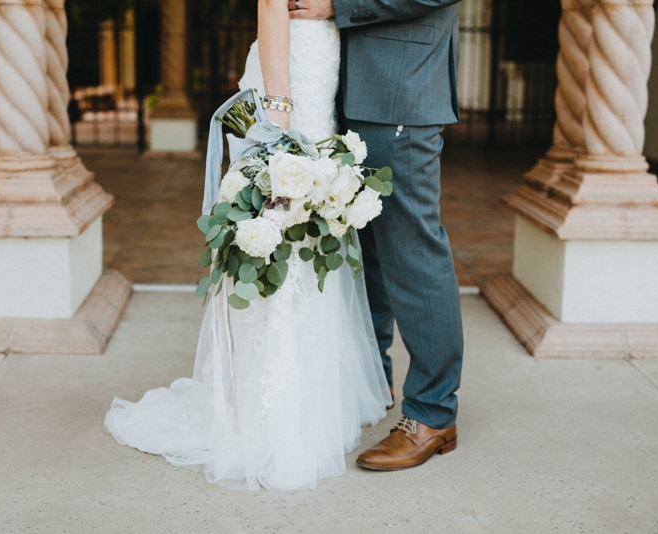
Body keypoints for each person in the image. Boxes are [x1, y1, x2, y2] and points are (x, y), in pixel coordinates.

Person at [104, 0, 391, 491]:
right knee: (282, 211)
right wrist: (278, 110)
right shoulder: (283, 89)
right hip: (290, 75)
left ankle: (305, 397)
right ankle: (267, 410)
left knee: (313, 220)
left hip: (318, 66)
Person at [290, 0, 464, 470]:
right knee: (365, 250)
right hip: (344, 88)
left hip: (401, 89)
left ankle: (432, 414)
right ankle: (374, 379)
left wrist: (337, 5)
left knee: (413, 252)